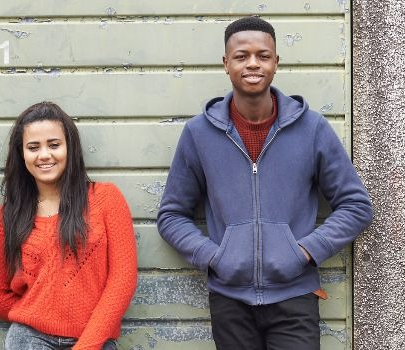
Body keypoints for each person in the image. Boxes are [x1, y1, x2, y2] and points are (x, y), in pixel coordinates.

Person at [157, 16, 373, 350]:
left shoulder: (312, 128)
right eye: (241, 56)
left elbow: (356, 206)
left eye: (263, 55)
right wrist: (215, 257)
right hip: (230, 300)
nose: (253, 64)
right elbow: (172, 215)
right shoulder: (199, 134)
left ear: (276, 63)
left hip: (295, 296)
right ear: (226, 64)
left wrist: (304, 252)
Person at [0, 102, 137, 350]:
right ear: (21, 154)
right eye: (33, 147)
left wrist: (88, 344)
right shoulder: (4, 219)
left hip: (95, 340)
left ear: (69, 147)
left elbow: (122, 279)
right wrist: (39, 313)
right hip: (30, 340)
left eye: (54, 145)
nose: (44, 155)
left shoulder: (106, 199)